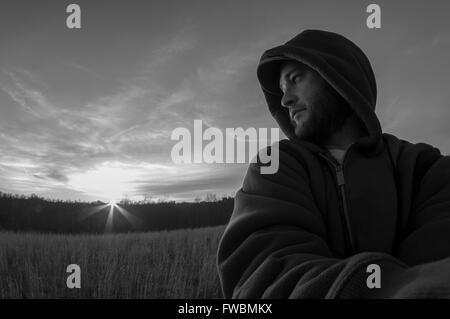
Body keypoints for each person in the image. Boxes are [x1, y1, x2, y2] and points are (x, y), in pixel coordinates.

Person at [216, 29, 450, 298]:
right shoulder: (275, 167)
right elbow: (262, 274)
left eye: (295, 79)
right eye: (281, 89)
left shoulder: (423, 167)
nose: (285, 100)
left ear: (339, 79)